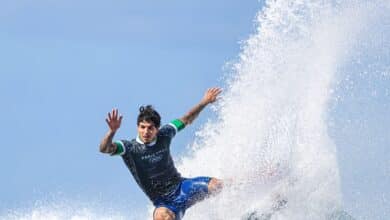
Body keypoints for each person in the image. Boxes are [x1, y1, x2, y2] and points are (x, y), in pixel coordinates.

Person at [99, 87, 223, 220]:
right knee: (163, 217)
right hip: (164, 203)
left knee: (217, 185)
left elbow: (186, 119)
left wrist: (204, 101)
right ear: (138, 127)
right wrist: (112, 132)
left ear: (157, 129)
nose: (146, 132)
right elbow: (104, 148)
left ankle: (246, 186)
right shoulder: (129, 148)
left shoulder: (165, 134)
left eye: (150, 128)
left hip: (183, 188)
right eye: (142, 127)